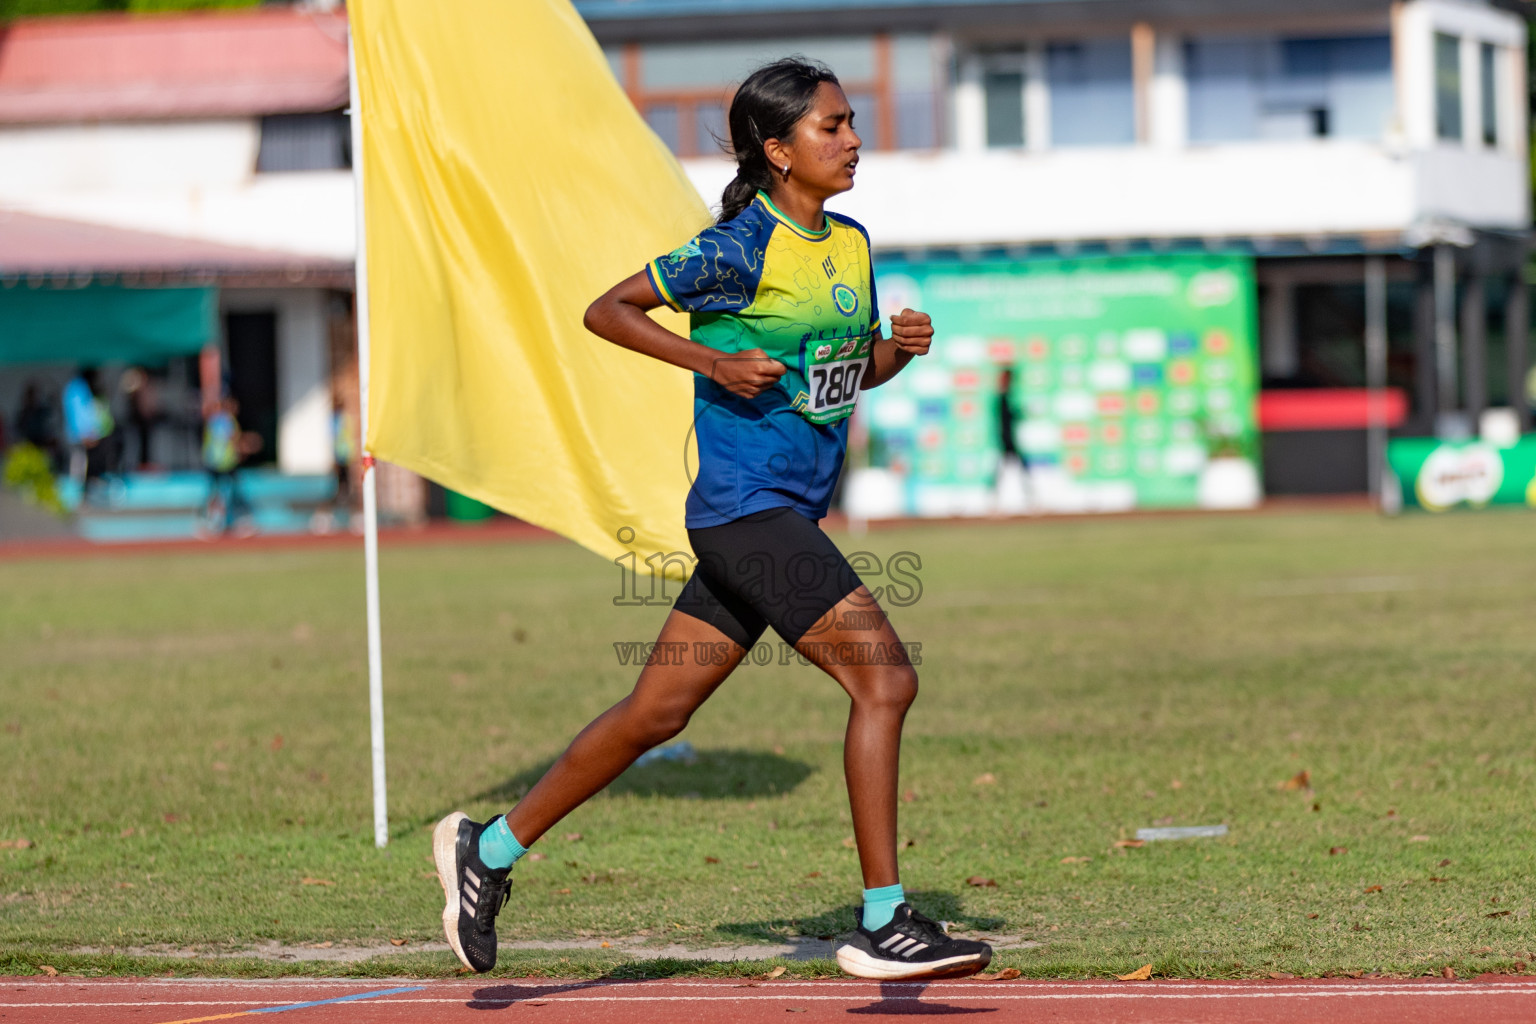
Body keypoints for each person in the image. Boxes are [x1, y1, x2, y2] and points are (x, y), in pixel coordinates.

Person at [432, 58, 992, 981]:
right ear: (777, 151)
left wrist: (895, 350)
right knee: (885, 683)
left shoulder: (849, 242)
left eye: (852, 122)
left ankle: (486, 854)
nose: (853, 139)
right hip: (747, 515)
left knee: (656, 713)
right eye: (831, 126)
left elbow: (835, 385)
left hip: (781, 513)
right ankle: (885, 920)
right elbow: (606, 311)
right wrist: (712, 365)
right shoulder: (736, 248)